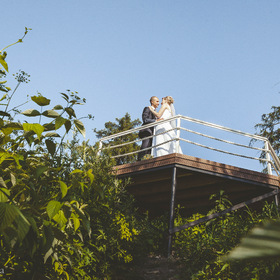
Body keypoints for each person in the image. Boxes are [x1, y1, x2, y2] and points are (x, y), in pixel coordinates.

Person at [138, 96, 162, 160]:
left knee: (149, 148)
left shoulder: (156, 112)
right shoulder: (147, 108)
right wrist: (155, 121)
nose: (158, 103)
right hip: (146, 131)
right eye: (157, 101)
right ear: (152, 102)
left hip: (152, 133)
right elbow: (145, 120)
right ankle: (139, 160)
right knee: (145, 146)